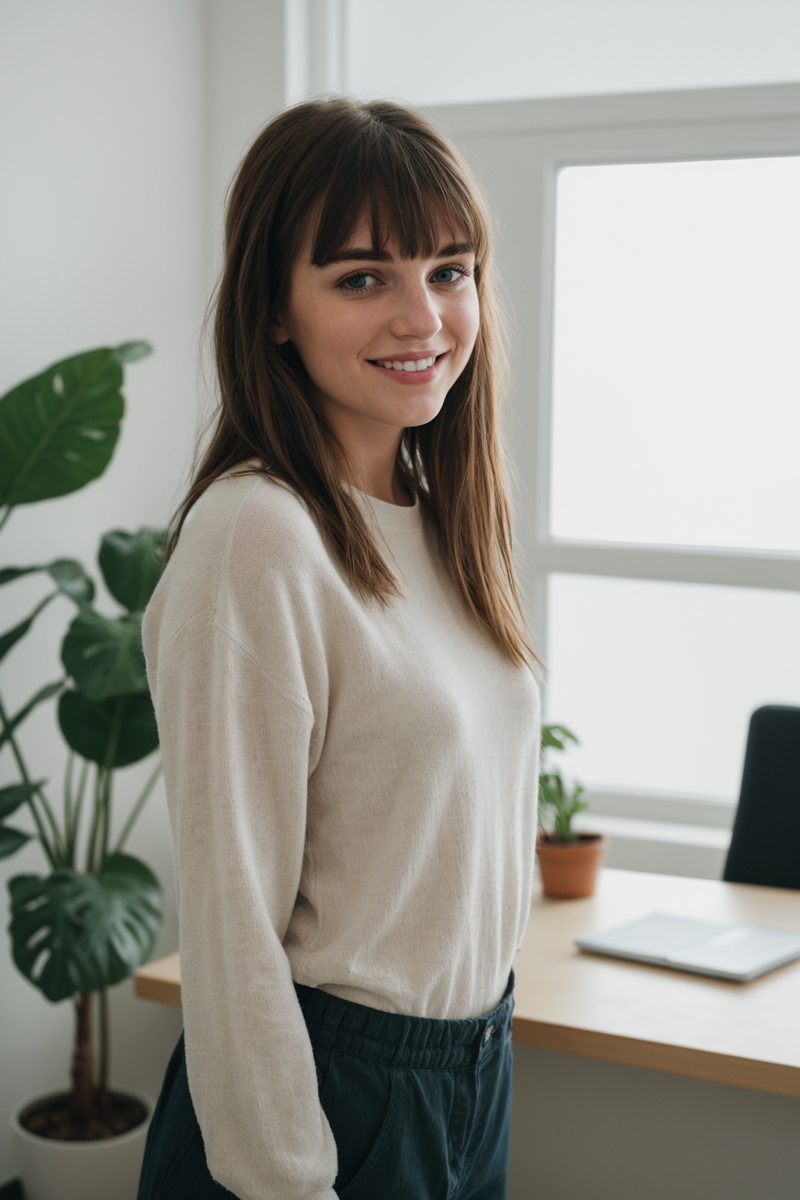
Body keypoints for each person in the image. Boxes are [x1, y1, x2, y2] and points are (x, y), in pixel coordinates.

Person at [137, 96, 542, 1200]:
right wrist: (286, 1178)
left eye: (448, 270)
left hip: (470, 1070)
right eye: (363, 277)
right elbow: (229, 923)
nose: (423, 316)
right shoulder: (255, 536)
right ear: (275, 308)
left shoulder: (439, 515)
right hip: (328, 1090)